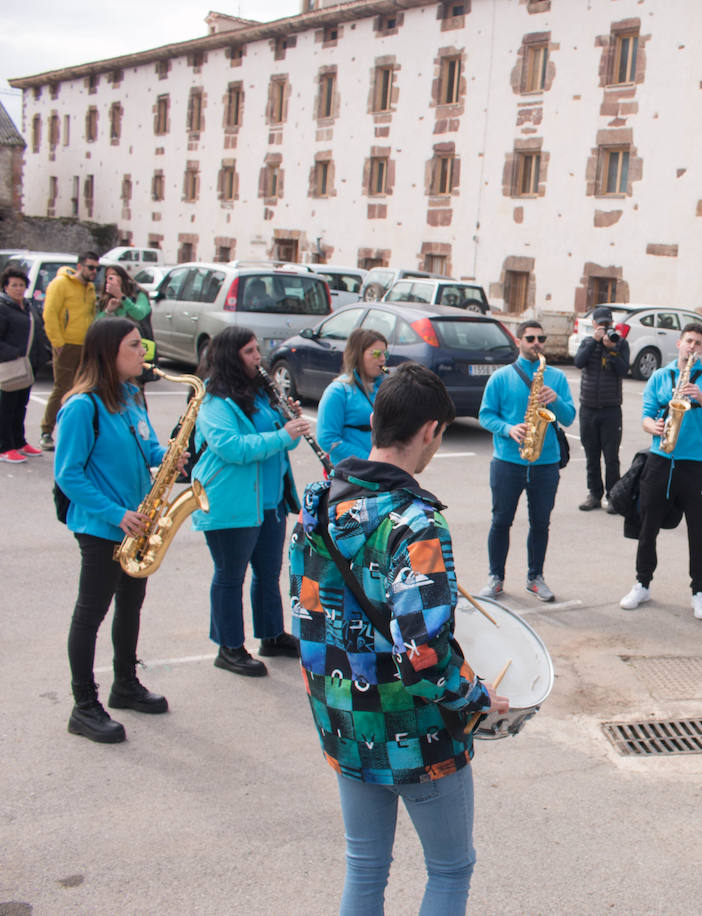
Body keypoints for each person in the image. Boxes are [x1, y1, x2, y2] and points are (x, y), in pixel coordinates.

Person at [290, 362, 509, 914]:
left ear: (375, 420)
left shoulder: (316, 503)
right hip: (416, 733)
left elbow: (308, 614)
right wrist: (481, 698)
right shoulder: (416, 523)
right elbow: (425, 658)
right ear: (432, 431)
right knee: (450, 870)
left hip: (341, 718)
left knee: (364, 868)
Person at [54, 317, 173, 743]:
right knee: (90, 614)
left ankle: (125, 683)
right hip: (102, 527)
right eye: (134, 346)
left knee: (130, 605)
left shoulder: (129, 397)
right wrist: (115, 513)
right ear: (109, 353)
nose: (144, 353)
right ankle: (84, 705)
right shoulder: (82, 406)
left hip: (136, 524)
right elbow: (68, 474)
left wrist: (172, 458)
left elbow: (149, 447)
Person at [191, 327, 310, 677]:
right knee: (230, 576)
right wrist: (280, 434)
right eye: (249, 352)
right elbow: (232, 449)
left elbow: (286, 445)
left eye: (257, 350)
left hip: (270, 501)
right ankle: (228, 647)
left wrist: (290, 423)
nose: (258, 357)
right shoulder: (215, 401)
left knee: (269, 573)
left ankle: (271, 635)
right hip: (233, 503)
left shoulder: (261, 394)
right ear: (230, 356)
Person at [619, 322, 702, 621]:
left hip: (696, 466)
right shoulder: (660, 376)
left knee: (699, 533)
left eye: (697, 343)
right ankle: (642, 584)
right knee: (647, 527)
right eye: (688, 341)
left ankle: (698, 591)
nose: (692, 347)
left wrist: (701, 398)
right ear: (679, 344)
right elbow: (645, 416)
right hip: (660, 460)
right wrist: (651, 426)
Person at [476, 319, 575, 602]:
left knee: (540, 523)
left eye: (541, 339)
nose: (536, 344)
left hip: (546, 463)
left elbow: (568, 417)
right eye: (530, 338)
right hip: (507, 461)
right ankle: (495, 577)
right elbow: (485, 415)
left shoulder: (556, 377)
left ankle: (536, 578)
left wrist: (555, 400)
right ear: (519, 341)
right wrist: (508, 429)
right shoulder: (501, 377)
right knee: (500, 521)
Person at [39, 252, 100, 450]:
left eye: (97, 268)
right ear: (80, 266)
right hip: (67, 344)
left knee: (83, 389)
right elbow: (50, 313)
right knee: (62, 388)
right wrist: (58, 342)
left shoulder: (90, 288)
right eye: (91, 267)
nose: (94, 272)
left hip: (86, 345)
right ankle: (46, 431)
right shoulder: (60, 284)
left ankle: (74, 433)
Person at [573, 306, 630, 512]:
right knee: (591, 455)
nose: (605, 328)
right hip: (588, 408)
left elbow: (624, 369)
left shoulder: (620, 343)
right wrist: (595, 343)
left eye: (608, 324)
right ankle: (594, 494)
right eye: (601, 325)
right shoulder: (587, 342)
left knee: (611, 457)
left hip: (611, 409)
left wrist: (611, 349)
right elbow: (579, 362)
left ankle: (613, 497)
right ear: (594, 325)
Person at [317, 328, 388, 464]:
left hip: (379, 469)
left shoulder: (384, 387)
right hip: (352, 473)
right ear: (357, 355)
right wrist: (369, 459)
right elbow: (327, 439)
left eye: (386, 354)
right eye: (377, 353)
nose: (383, 359)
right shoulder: (338, 391)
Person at [0, 267, 42, 463]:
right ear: (5, 287)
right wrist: (14, 353)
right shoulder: (3, 307)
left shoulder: (27, 307)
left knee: (20, 406)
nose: (18, 289)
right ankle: (4, 446)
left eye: (21, 285)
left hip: (27, 365)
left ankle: (19, 441)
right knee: (6, 407)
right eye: (14, 285)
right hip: (10, 365)